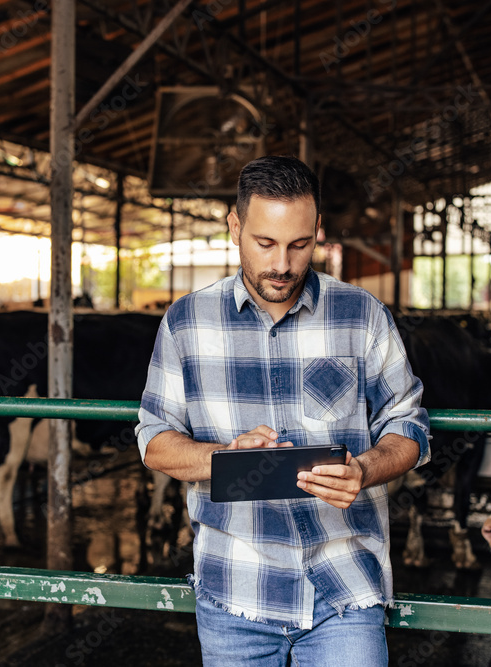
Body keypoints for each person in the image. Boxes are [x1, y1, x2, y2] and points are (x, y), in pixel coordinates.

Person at [135, 155, 429, 666]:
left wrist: (365, 469)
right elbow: (155, 439)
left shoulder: (363, 316)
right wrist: (223, 457)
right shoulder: (186, 322)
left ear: (318, 230)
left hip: (344, 589)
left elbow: (409, 427)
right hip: (235, 588)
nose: (282, 265)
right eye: (264, 243)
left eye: (299, 244)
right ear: (235, 228)